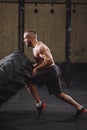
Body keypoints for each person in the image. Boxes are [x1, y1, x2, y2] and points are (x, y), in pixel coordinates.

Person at [23, 30, 87, 118]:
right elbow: (42, 60)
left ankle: (39, 104)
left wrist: (37, 68)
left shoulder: (40, 47)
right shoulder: (35, 48)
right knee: (58, 94)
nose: (24, 40)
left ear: (31, 38)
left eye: (25, 38)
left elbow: (49, 60)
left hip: (50, 71)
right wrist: (35, 66)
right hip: (52, 71)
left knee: (29, 82)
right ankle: (80, 108)